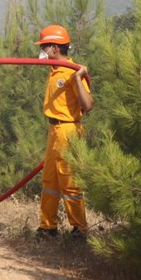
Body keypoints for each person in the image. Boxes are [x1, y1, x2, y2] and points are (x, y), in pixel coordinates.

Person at [34, 25, 93, 241]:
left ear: (54, 48)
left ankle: (79, 229)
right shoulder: (54, 70)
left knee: (70, 181)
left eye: (43, 47)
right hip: (54, 130)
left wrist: (78, 78)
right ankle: (47, 227)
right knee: (49, 180)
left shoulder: (71, 72)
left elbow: (88, 104)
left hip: (68, 131)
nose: (41, 51)